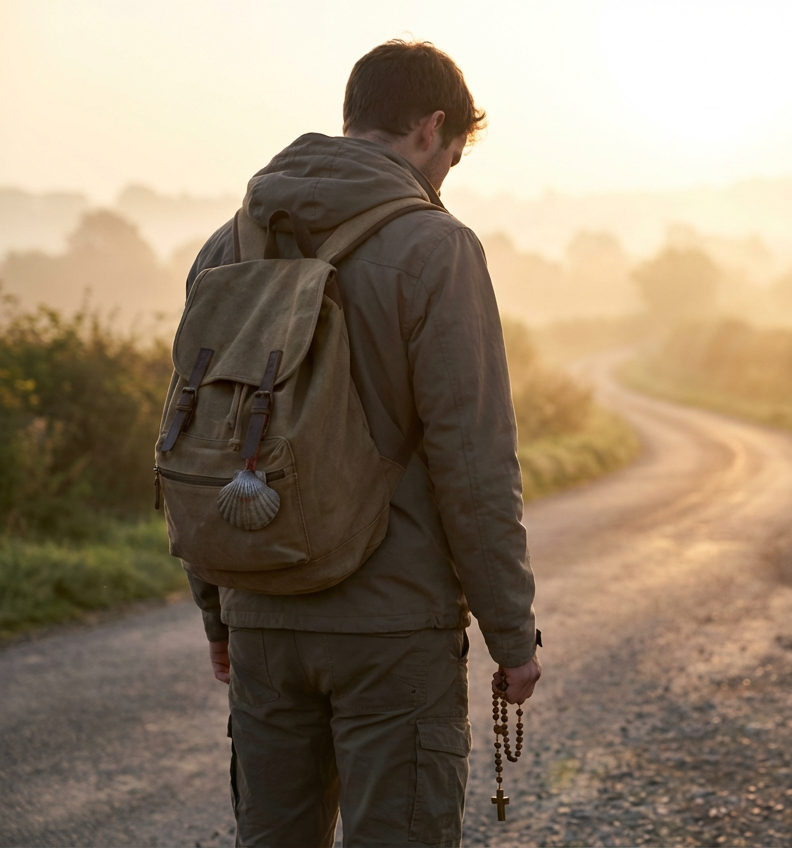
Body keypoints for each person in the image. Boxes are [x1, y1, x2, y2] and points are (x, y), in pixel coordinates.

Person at [183, 40, 540, 847]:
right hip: (392, 632)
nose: (443, 177)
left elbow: (200, 441)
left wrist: (219, 614)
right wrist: (510, 635)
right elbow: (473, 461)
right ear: (432, 127)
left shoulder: (229, 246)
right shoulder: (437, 247)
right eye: (451, 157)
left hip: (262, 611)